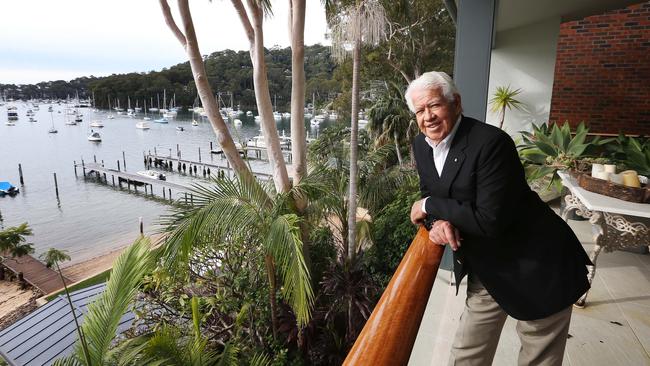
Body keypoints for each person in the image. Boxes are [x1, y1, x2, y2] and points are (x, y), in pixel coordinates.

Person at [405, 71, 591, 365]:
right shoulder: (421, 146)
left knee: (537, 357)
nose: (427, 116)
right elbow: (433, 191)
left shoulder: (491, 143)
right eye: (420, 110)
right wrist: (437, 222)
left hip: (537, 265)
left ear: (456, 102)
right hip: (488, 268)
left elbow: (488, 219)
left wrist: (428, 206)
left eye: (434, 105)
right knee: (467, 353)